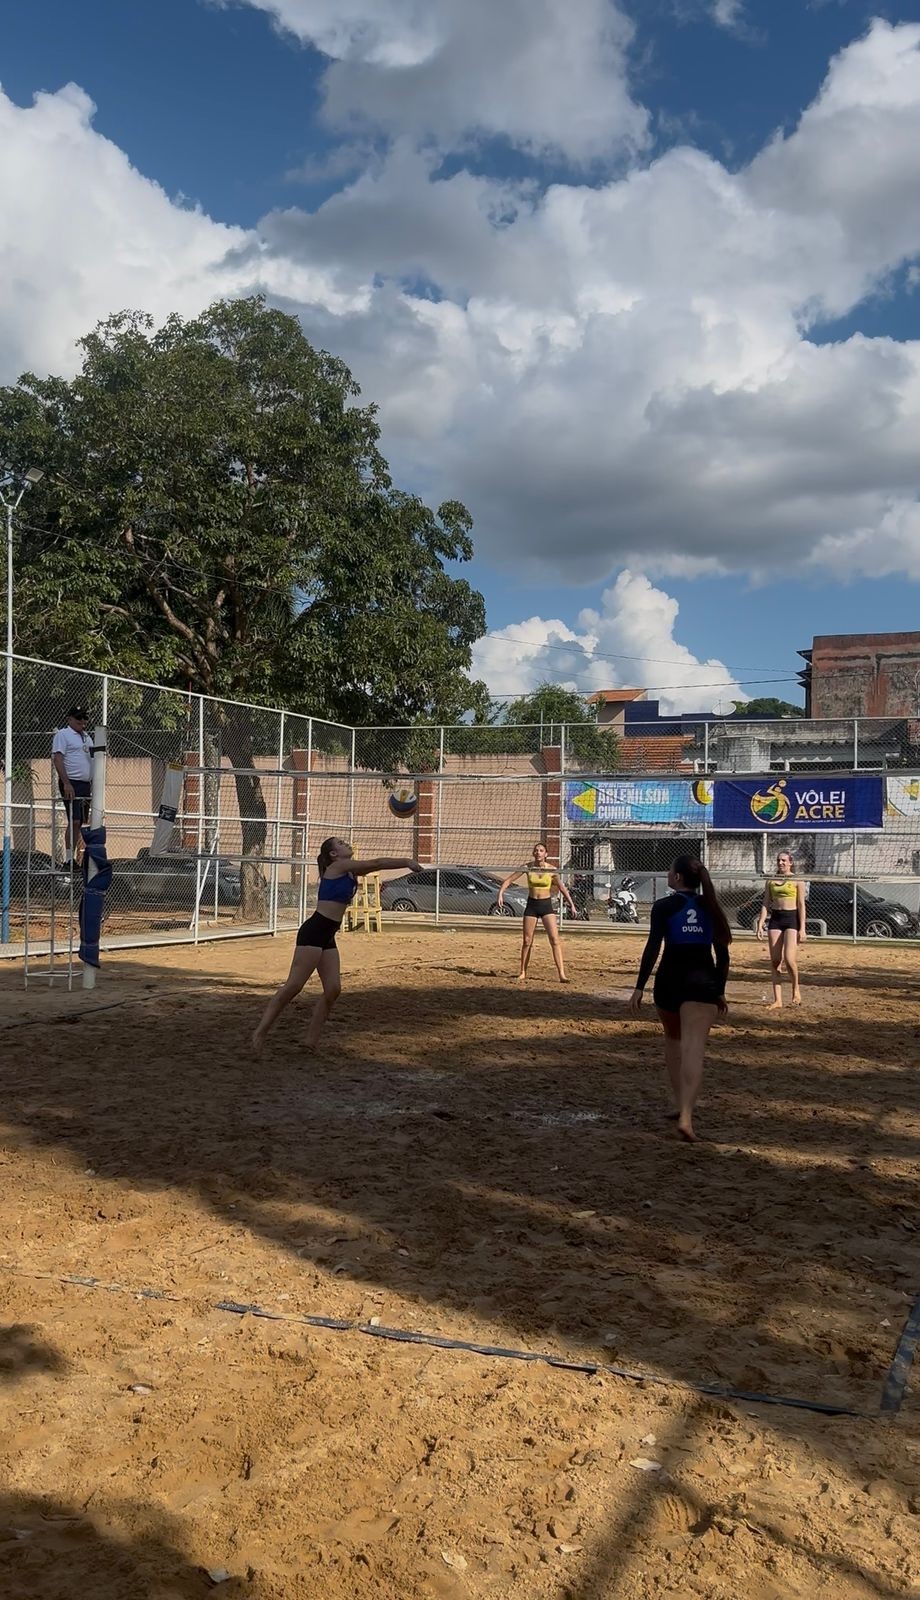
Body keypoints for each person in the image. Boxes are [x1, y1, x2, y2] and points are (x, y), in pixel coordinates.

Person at [252, 838, 422, 1054]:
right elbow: (377, 862)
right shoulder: (339, 866)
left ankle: (310, 1042)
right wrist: (407, 861)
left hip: (328, 934)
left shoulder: (350, 871)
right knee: (293, 987)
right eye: (341, 843)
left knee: (333, 989)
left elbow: (373, 867)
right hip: (314, 932)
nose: (347, 843)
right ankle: (260, 1031)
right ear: (334, 855)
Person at [628, 853, 732, 1143]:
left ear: (676, 878)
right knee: (694, 1050)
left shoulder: (663, 906)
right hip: (702, 981)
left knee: (673, 1041)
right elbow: (723, 956)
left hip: (669, 981)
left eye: (669, 871)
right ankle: (686, 1116)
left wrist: (639, 987)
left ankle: (679, 1104)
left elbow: (653, 948)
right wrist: (720, 990)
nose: (667, 874)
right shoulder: (710, 906)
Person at [497, 842, 577, 983]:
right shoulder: (528, 868)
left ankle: (562, 974)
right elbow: (508, 880)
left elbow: (562, 889)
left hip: (546, 906)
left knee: (554, 939)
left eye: (541, 850)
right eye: (536, 850)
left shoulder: (552, 870)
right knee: (527, 941)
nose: (538, 852)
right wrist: (501, 893)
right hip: (532, 906)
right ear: (533, 853)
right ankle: (522, 972)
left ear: (546, 854)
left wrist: (571, 904)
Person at [756, 850, 806, 1008]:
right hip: (776, 920)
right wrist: (760, 923)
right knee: (775, 961)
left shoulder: (797, 880)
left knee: (790, 960)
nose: (780, 863)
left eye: (784, 860)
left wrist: (802, 928)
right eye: (778, 860)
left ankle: (795, 989)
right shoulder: (771, 880)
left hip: (792, 919)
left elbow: (801, 905)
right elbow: (765, 903)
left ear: (790, 863)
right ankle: (778, 1000)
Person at [51, 706, 93, 866]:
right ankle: (69, 858)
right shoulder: (63, 735)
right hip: (71, 783)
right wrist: (67, 783)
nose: (82, 722)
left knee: (81, 820)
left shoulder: (87, 737)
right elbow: (58, 759)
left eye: (84, 718)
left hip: (85, 784)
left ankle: (77, 855)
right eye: (78, 718)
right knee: (74, 820)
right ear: (69, 719)